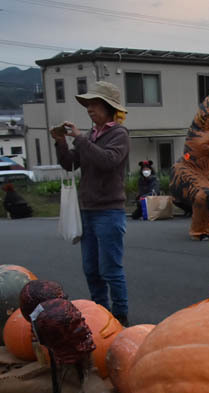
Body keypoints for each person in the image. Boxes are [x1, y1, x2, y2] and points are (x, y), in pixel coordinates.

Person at [52, 80, 131, 326]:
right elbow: (70, 163)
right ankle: (100, 313)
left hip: (109, 210)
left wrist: (79, 139)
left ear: (109, 108)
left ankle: (120, 316)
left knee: (111, 269)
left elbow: (108, 161)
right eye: (88, 105)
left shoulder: (119, 134)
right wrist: (61, 141)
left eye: (94, 104)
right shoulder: (91, 136)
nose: (89, 109)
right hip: (87, 210)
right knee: (91, 269)